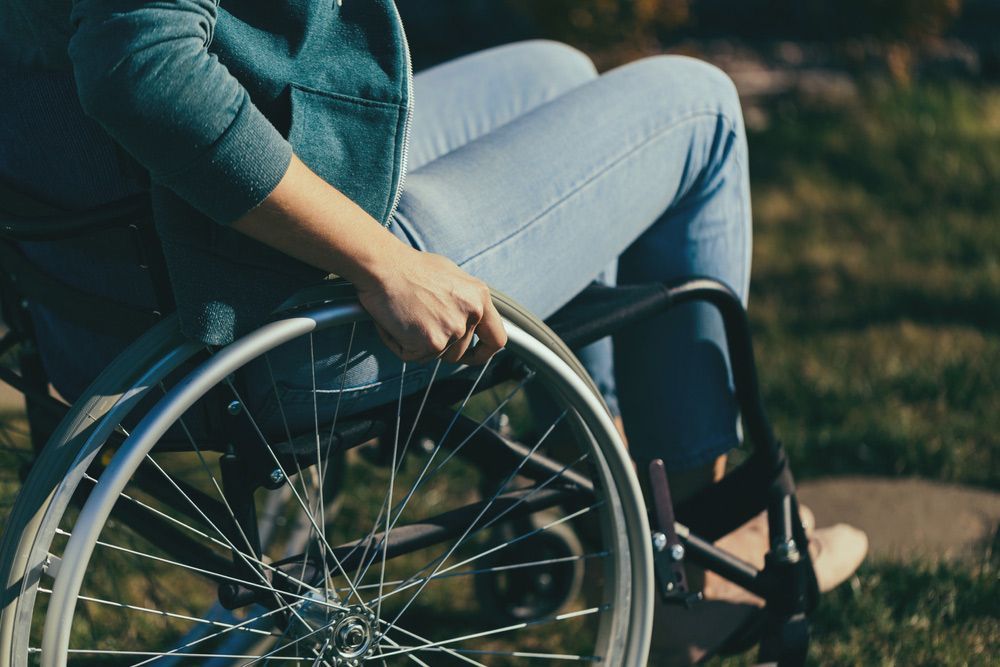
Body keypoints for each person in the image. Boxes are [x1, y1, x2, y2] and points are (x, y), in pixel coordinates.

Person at [0, 0, 867, 662]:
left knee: (555, 73)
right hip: (266, 312)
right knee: (700, 106)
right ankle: (693, 567)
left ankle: (620, 505)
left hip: (112, 302)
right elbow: (140, 63)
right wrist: (385, 263)